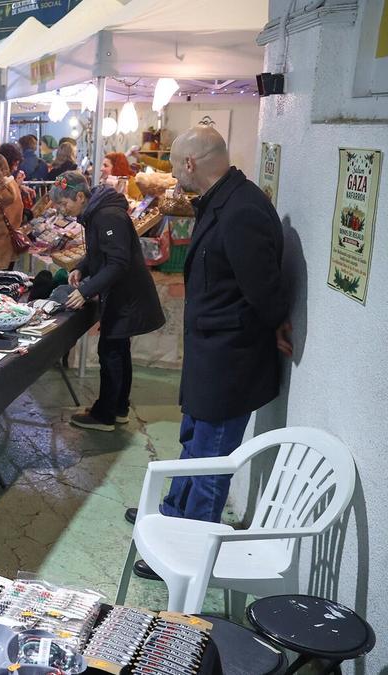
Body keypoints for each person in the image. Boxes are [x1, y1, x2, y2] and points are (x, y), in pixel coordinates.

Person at [124, 127, 291, 555]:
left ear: (191, 164)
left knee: (212, 459)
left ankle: (189, 550)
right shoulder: (225, 200)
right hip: (212, 354)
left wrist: (275, 322)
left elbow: (264, 289)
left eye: (177, 167)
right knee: (194, 442)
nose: (175, 176)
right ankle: (174, 515)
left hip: (230, 360)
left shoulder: (242, 210)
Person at [50, 171, 165, 433]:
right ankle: (119, 408)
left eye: (65, 204)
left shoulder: (106, 215)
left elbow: (117, 262)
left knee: (111, 352)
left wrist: (86, 290)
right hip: (122, 294)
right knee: (118, 350)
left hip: (127, 297)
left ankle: (105, 415)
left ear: (80, 196)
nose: (63, 210)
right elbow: (101, 252)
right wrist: (82, 267)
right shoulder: (97, 213)